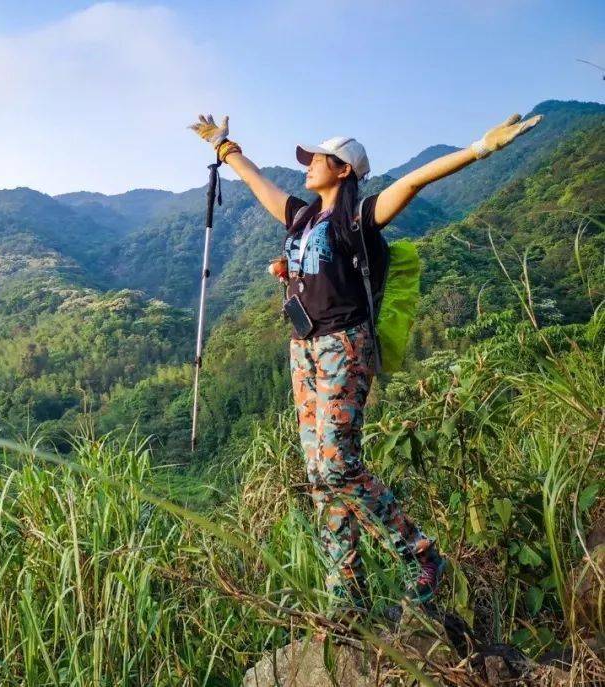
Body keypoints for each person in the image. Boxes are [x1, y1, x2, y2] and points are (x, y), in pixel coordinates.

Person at [189, 112, 543, 610]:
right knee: (318, 474)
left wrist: (480, 148)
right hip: (303, 346)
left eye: (318, 159)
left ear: (344, 170)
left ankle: (420, 554)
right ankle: (347, 593)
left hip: (342, 344)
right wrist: (226, 148)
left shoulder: (360, 215)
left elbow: (416, 179)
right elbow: (257, 182)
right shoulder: (302, 216)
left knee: (337, 464)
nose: (308, 165)